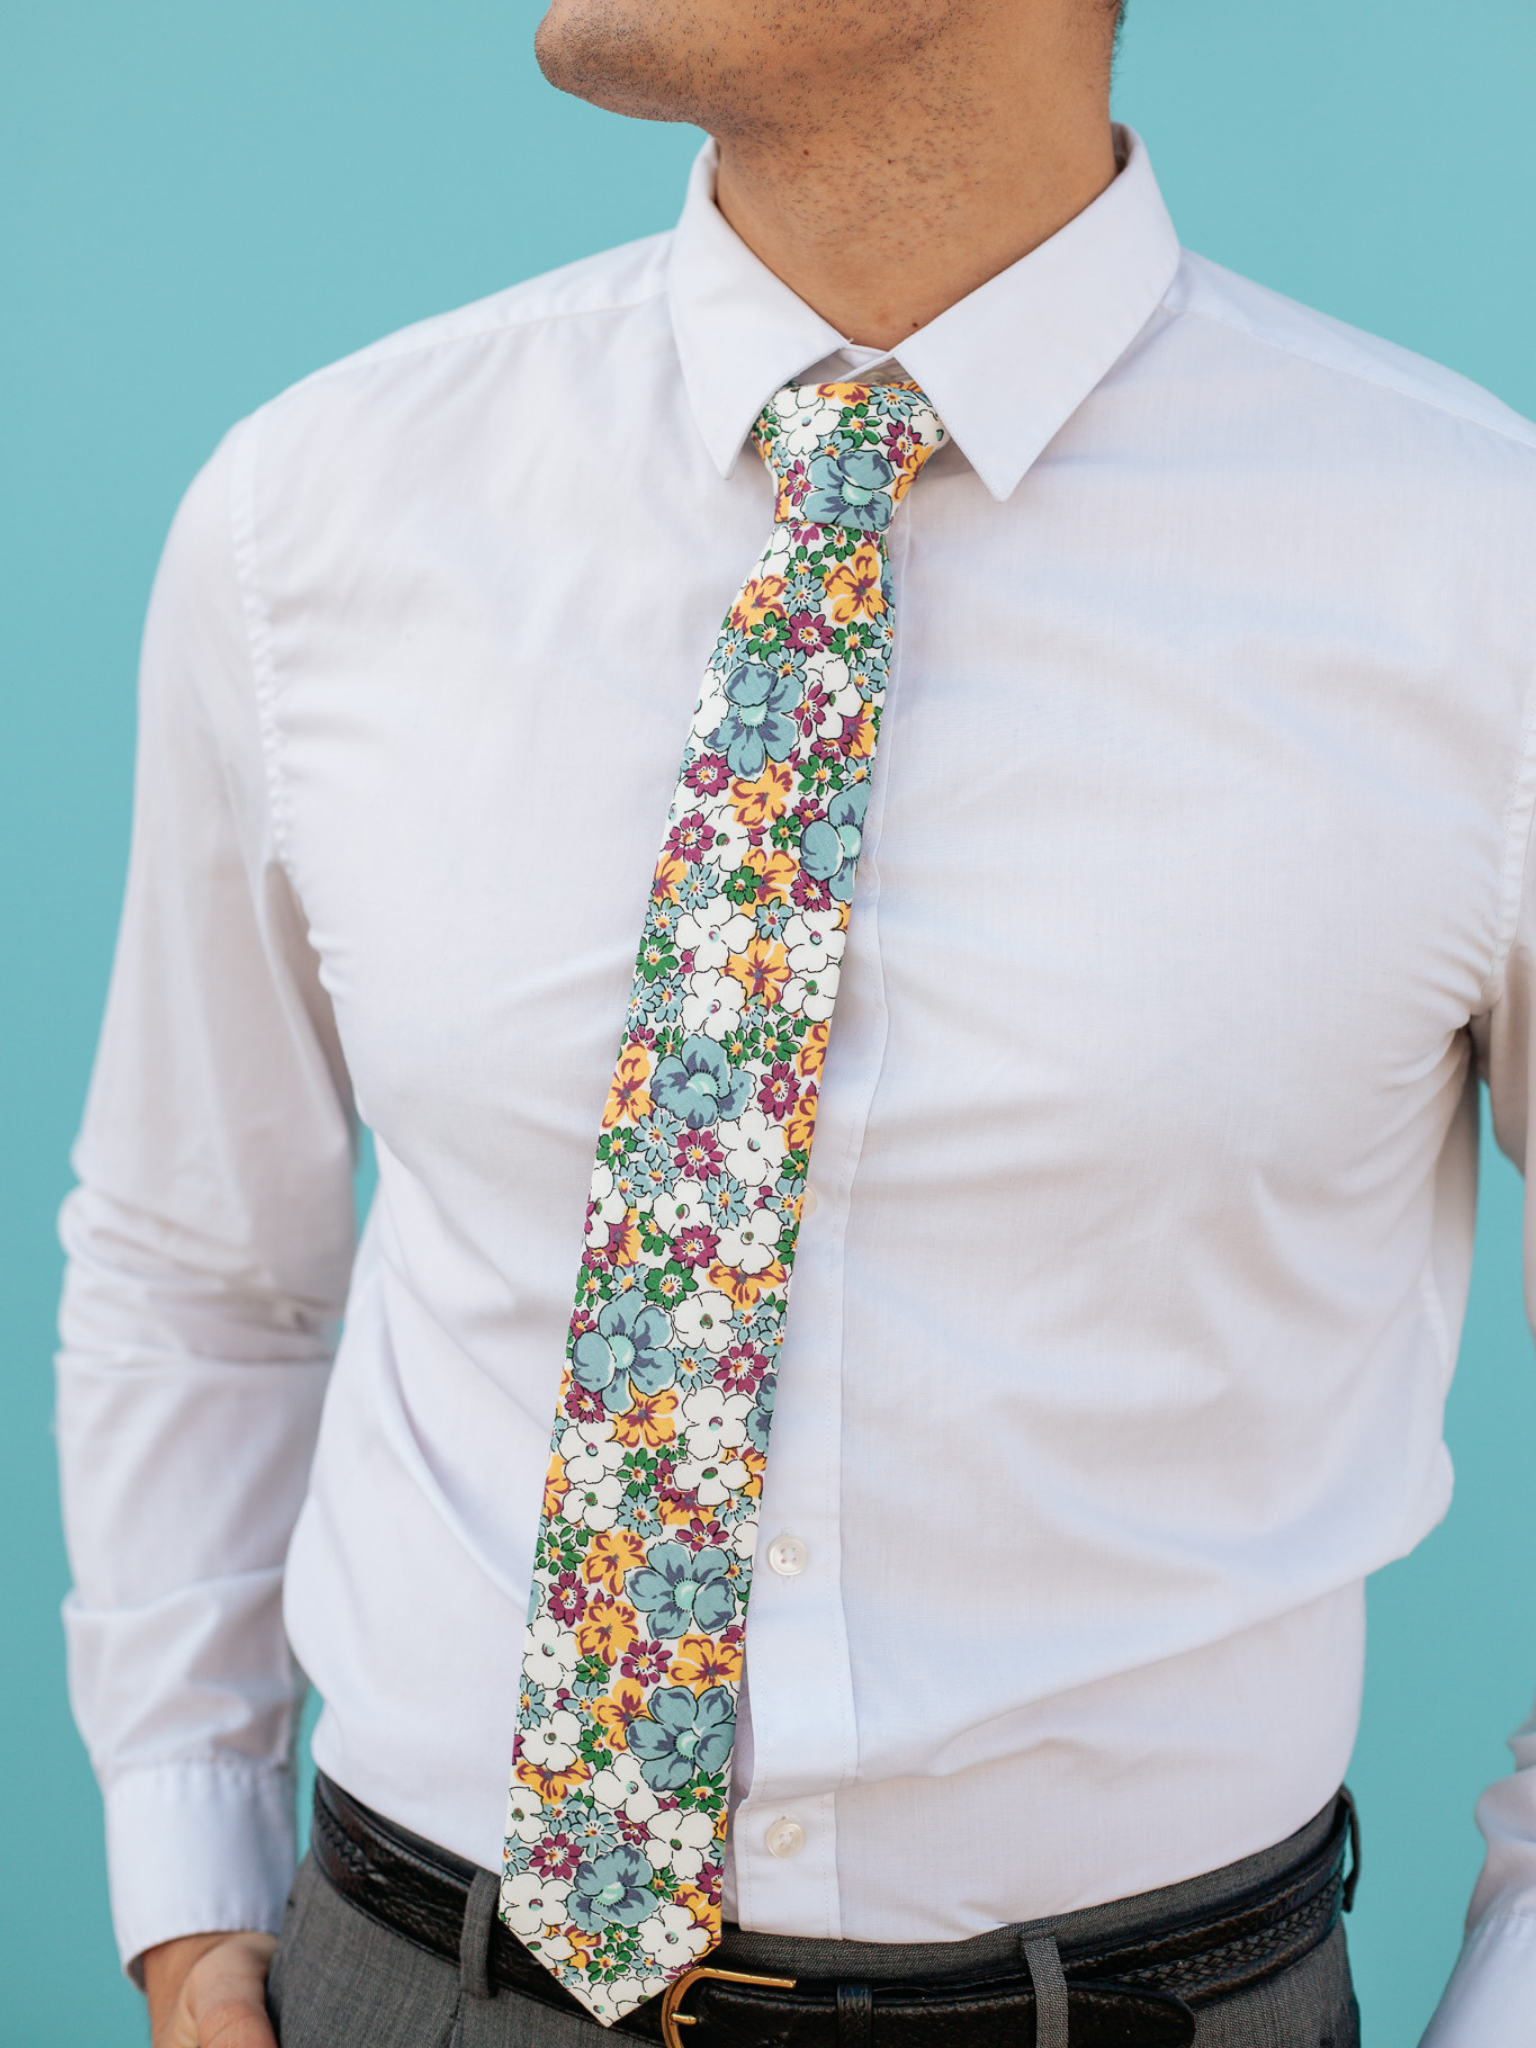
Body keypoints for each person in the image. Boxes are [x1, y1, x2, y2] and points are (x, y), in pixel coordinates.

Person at [55, 0, 1536, 2042]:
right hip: (417, 1982)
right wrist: (192, 1891)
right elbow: (198, 1265)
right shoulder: (311, 521)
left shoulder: (1483, 579)